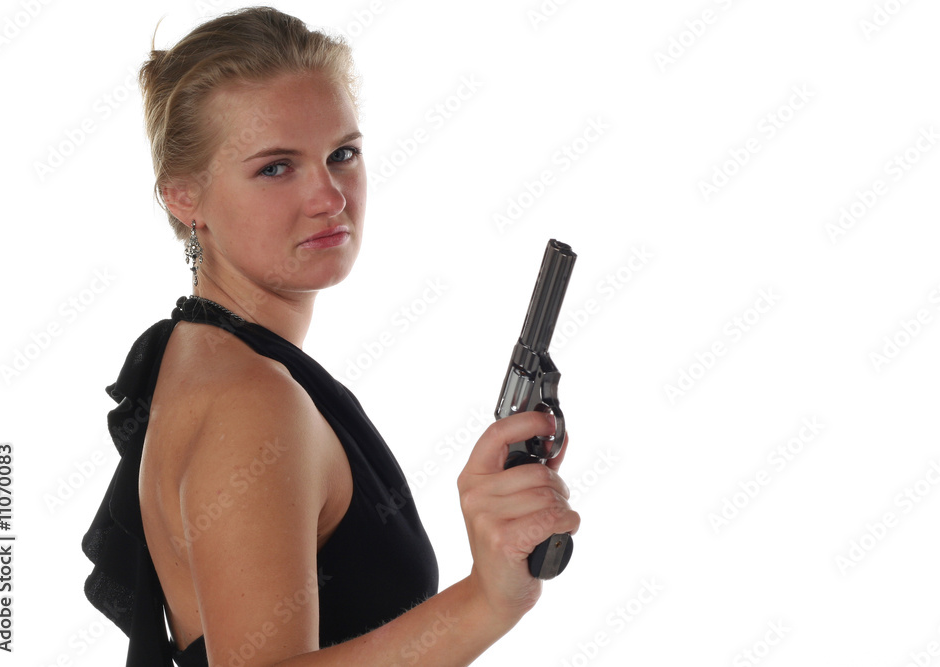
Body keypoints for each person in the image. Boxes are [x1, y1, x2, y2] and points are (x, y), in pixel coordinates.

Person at [81, 6, 580, 667]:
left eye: (342, 154)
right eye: (275, 167)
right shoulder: (251, 398)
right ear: (183, 196)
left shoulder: (206, 355)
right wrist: (486, 600)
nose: (330, 197)